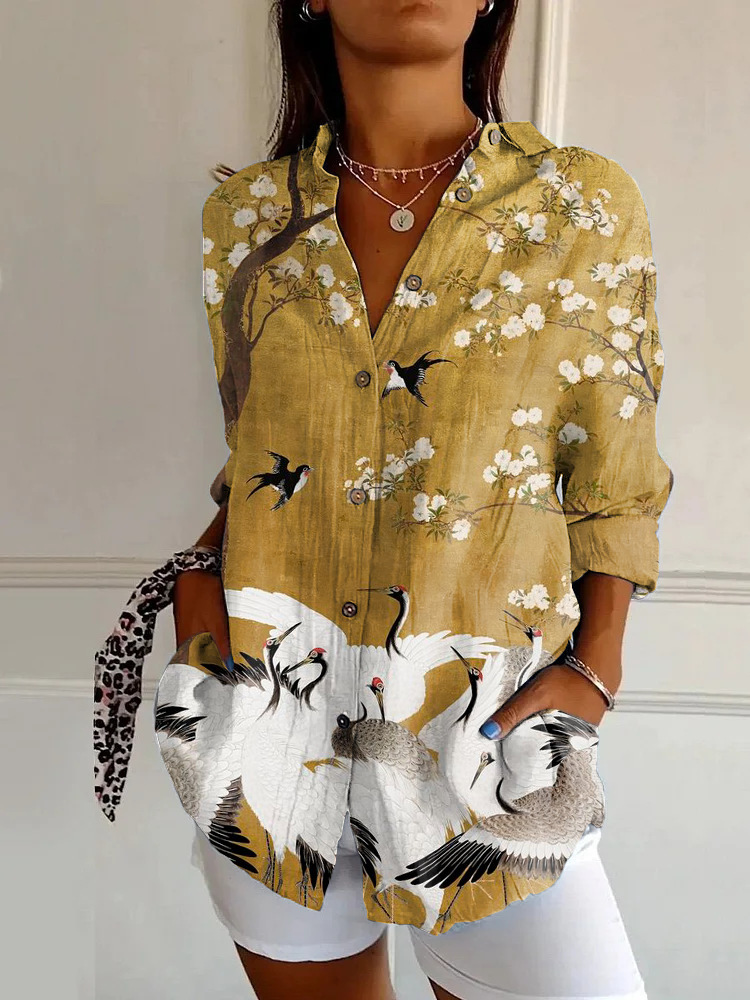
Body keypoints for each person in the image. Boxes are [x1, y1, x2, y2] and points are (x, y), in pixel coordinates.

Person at [167, 1, 673, 997]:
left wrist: (599, 666)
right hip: (271, 735)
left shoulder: (580, 206)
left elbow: (615, 476)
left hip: (489, 753)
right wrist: (198, 609)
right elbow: (263, 450)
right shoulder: (248, 220)